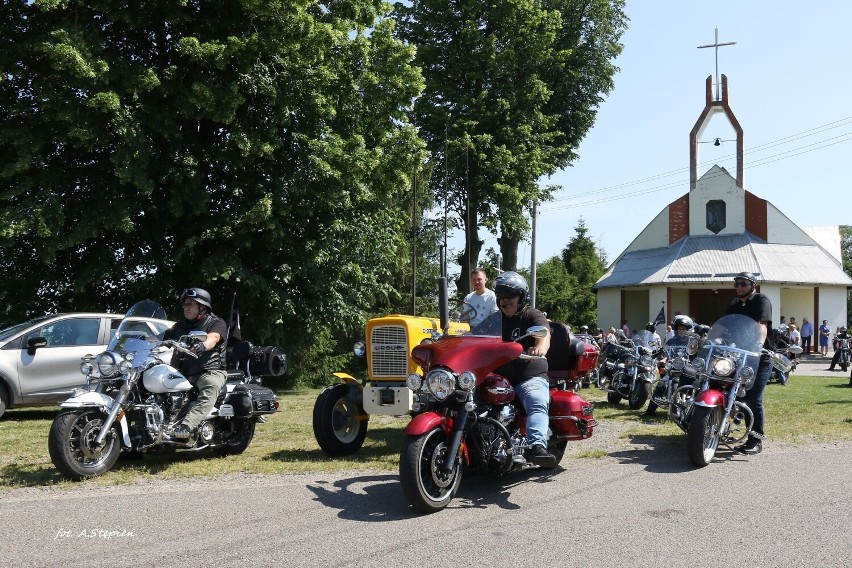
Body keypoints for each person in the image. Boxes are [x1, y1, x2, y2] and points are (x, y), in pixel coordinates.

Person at [491, 271, 556, 468]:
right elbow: (474, 337)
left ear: (521, 297)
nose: (505, 300)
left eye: (510, 295)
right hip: (498, 376)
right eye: (501, 296)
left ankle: (538, 446)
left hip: (528, 375)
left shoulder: (532, 315)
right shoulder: (493, 321)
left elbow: (543, 336)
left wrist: (539, 349)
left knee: (536, 401)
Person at [164, 288, 229, 440]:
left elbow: (213, 338)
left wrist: (203, 345)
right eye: (185, 304)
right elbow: (160, 337)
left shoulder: (216, 323)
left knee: (211, 385)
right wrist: (141, 339)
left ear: (203, 307)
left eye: (190, 304)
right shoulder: (180, 326)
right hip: (182, 372)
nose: (186, 308)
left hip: (208, 371)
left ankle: (185, 426)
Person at [725, 272, 773, 455]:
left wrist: (759, 345)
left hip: (760, 357)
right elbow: (724, 325)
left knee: (753, 398)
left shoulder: (761, 300)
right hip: (739, 355)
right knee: (731, 392)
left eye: (743, 284)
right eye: (736, 284)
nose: (739, 287)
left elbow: (762, 325)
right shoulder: (735, 304)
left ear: (753, 285)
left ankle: (756, 440)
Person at [645, 315, 694, 416]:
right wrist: (661, 355)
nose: (681, 331)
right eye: (679, 329)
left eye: (684, 329)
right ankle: (650, 411)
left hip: (687, 368)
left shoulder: (691, 342)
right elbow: (664, 350)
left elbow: (696, 353)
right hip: (672, 367)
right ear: (676, 329)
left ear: (688, 330)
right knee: (661, 383)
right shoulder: (671, 341)